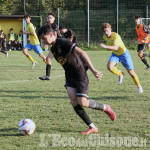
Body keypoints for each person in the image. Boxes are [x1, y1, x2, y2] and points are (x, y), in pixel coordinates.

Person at [38, 24, 116, 134]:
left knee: (83, 102)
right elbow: (49, 58)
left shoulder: (63, 42)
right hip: (69, 76)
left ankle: (105, 107)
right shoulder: (53, 48)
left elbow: (82, 52)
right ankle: (92, 127)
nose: (44, 41)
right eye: (42, 39)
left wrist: (93, 70)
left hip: (79, 74)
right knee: (74, 102)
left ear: (51, 35)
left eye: (44, 38)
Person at [100, 23, 143, 93]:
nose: (106, 33)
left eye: (107, 30)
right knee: (110, 67)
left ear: (110, 29)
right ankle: (121, 74)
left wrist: (105, 46)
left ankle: (139, 86)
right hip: (115, 54)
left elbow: (115, 47)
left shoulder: (116, 36)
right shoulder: (105, 37)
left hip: (124, 54)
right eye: (104, 31)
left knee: (131, 72)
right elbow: (114, 48)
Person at [39, 12, 62, 80]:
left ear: (54, 19)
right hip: (55, 44)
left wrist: (48, 44)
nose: (49, 19)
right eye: (48, 17)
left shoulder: (54, 26)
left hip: (59, 44)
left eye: (50, 17)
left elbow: (55, 36)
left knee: (62, 59)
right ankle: (47, 76)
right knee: (48, 58)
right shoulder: (49, 26)